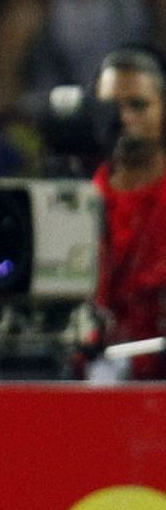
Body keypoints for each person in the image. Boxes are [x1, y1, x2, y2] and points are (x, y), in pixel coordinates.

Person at [93, 46, 166, 379]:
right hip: (83, 384)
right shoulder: (72, 200)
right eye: (111, 107)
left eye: (138, 105)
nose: (123, 118)